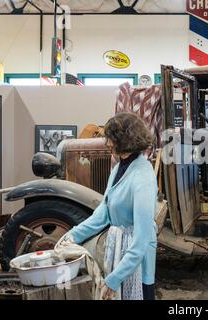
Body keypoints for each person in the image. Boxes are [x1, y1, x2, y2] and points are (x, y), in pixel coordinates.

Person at [64, 112, 158, 300]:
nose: (107, 143)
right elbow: (103, 213)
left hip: (136, 262)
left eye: (110, 138)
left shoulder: (142, 177)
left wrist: (114, 279)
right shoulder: (118, 169)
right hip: (118, 253)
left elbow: (141, 241)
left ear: (124, 139)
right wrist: (72, 235)